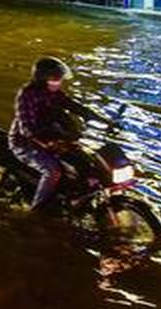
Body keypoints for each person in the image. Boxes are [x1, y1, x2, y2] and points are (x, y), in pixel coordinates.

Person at [9, 57, 109, 211]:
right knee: (53, 171)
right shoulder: (26, 95)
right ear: (42, 79)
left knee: (86, 163)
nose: (59, 82)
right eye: (55, 79)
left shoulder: (54, 93)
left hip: (53, 138)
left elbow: (75, 107)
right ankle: (36, 212)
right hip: (25, 143)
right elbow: (26, 128)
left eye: (59, 79)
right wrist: (45, 143)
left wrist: (103, 121)